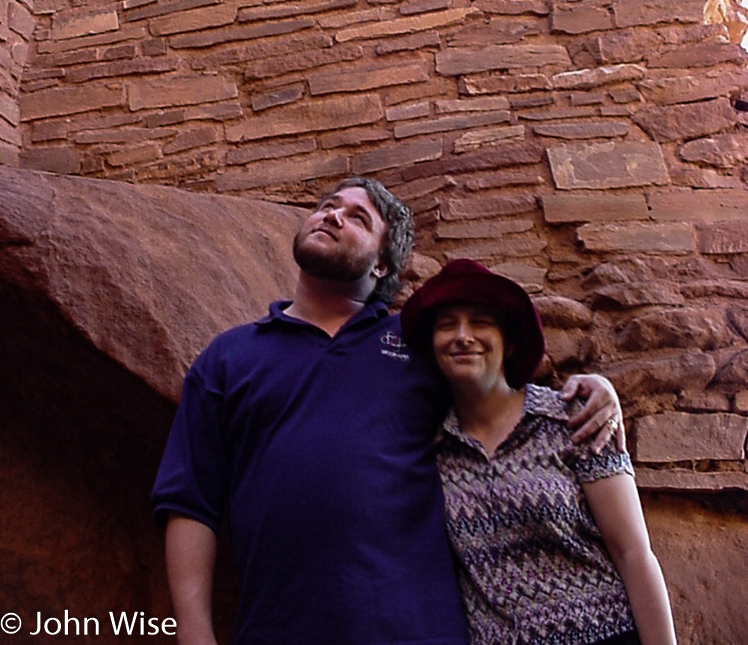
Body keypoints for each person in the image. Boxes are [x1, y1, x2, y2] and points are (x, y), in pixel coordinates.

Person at [151, 177, 623, 645]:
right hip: (277, 630)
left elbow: (502, 407)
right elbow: (192, 504)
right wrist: (195, 637)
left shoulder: (421, 347)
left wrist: (598, 389)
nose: (331, 215)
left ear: (381, 265)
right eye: (326, 207)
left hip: (419, 631)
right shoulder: (228, 358)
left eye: (357, 217)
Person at [400, 258, 678, 645]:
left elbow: (632, 552)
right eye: (447, 325)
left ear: (509, 341)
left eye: (480, 322)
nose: (463, 335)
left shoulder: (574, 418)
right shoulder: (432, 448)